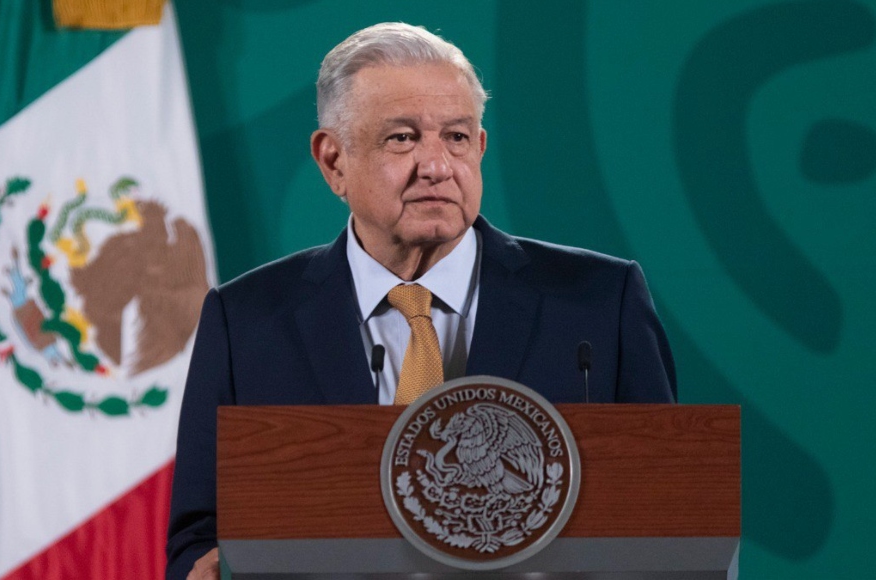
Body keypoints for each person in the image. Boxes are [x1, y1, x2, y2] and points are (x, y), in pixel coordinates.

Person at [165, 22, 676, 580]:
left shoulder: (600, 304)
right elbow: (200, 534)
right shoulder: (246, 322)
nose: (436, 166)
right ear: (333, 161)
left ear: (479, 148)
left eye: (456, 137)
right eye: (403, 138)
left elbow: (672, 513)